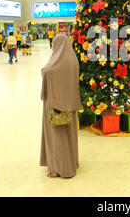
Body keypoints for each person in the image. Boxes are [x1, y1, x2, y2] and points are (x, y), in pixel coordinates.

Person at [40, 34, 82, 178]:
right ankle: (71, 162)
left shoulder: (56, 62)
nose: (53, 46)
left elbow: (47, 71)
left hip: (55, 104)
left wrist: (43, 71)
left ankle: (59, 169)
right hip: (69, 103)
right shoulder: (72, 59)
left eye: (54, 43)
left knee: (57, 136)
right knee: (69, 135)